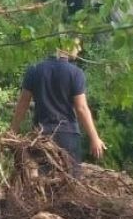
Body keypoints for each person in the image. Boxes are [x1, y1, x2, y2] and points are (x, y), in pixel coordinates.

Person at [8, 42, 106, 172]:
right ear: (66, 44)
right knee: (69, 180)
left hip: (41, 135)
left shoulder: (34, 70)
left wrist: (12, 131)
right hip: (68, 137)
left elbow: (23, 104)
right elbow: (81, 108)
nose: (79, 49)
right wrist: (94, 138)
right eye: (77, 45)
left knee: (43, 179)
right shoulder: (76, 73)